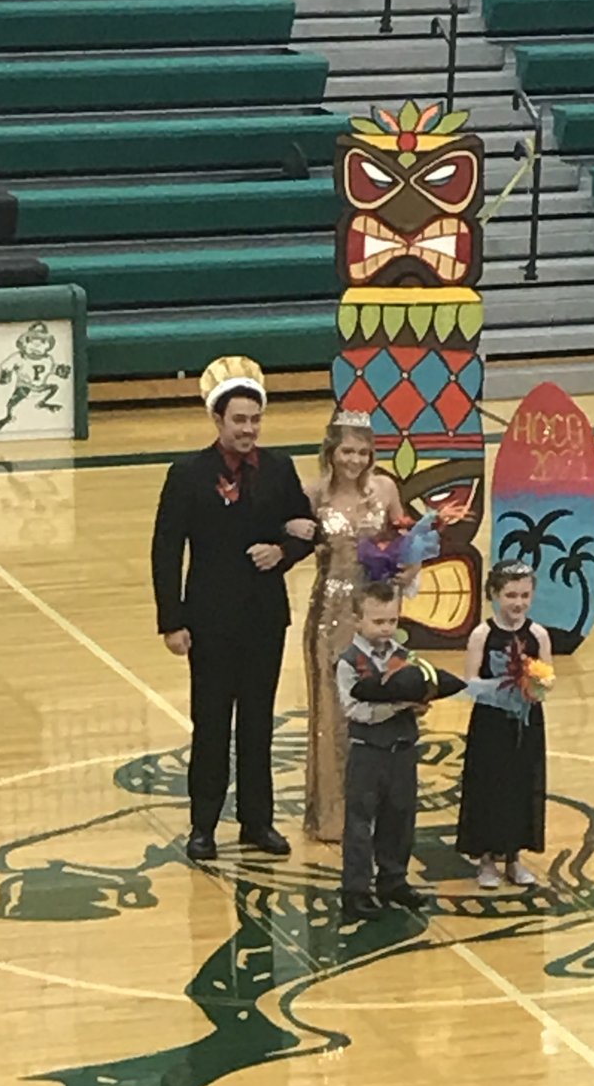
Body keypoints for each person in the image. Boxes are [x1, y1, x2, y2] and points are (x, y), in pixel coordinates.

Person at [151, 355, 314, 862]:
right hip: (209, 621)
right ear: (217, 420)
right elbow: (165, 550)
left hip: (265, 618)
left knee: (259, 723)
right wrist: (172, 621)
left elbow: (307, 530)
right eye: (239, 420)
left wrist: (282, 552)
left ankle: (257, 822)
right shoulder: (187, 475)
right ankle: (203, 825)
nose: (248, 429)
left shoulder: (280, 469)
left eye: (255, 420)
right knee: (211, 724)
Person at [291, 410, 411, 844]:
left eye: (362, 452)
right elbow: (287, 540)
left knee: (378, 707)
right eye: (347, 451)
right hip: (328, 613)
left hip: (376, 614)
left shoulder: (386, 489)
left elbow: (406, 540)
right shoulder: (312, 493)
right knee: (332, 711)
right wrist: (290, 529)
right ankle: (331, 816)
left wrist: (407, 570)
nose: (355, 460)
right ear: (331, 451)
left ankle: (374, 811)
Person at [456, 560, 553, 888]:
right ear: (495, 594)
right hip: (491, 722)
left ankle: (514, 857)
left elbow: (547, 679)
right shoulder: (482, 634)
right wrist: (502, 688)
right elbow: (470, 682)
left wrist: (534, 685)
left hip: (526, 723)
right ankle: (486, 859)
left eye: (525, 595)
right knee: (490, 785)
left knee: (520, 785)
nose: (518, 603)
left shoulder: (538, 634)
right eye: (511, 595)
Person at [335, 579, 427, 922]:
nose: (386, 628)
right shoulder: (348, 662)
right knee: (360, 822)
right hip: (368, 753)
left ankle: (393, 879)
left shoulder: (405, 657)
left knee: (400, 817)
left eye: (392, 620)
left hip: (402, 750)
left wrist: (420, 703)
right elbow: (354, 709)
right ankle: (356, 890)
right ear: (357, 620)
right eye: (378, 621)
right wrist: (395, 706)